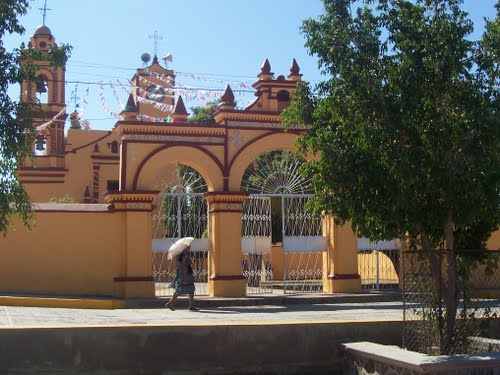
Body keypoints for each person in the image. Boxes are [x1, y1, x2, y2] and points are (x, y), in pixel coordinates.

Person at [165, 246, 199, 311]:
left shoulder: (182, 255)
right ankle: (170, 303)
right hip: (185, 275)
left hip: (182, 275)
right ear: (184, 248)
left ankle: (191, 305)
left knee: (189, 290)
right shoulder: (184, 256)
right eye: (188, 246)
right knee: (180, 291)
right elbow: (184, 267)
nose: (190, 247)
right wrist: (185, 278)